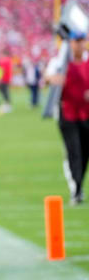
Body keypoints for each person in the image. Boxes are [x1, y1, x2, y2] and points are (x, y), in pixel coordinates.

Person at [45, 32, 89, 205]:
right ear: (69, 43)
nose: (79, 45)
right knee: (74, 151)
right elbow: (47, 77)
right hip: (67, 114)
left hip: (86, 113)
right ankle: (76, 188)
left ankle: (79, 182)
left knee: (85, 151)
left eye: (81, 41)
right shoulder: (60, 62)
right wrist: (53, 79)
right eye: (75, 41)